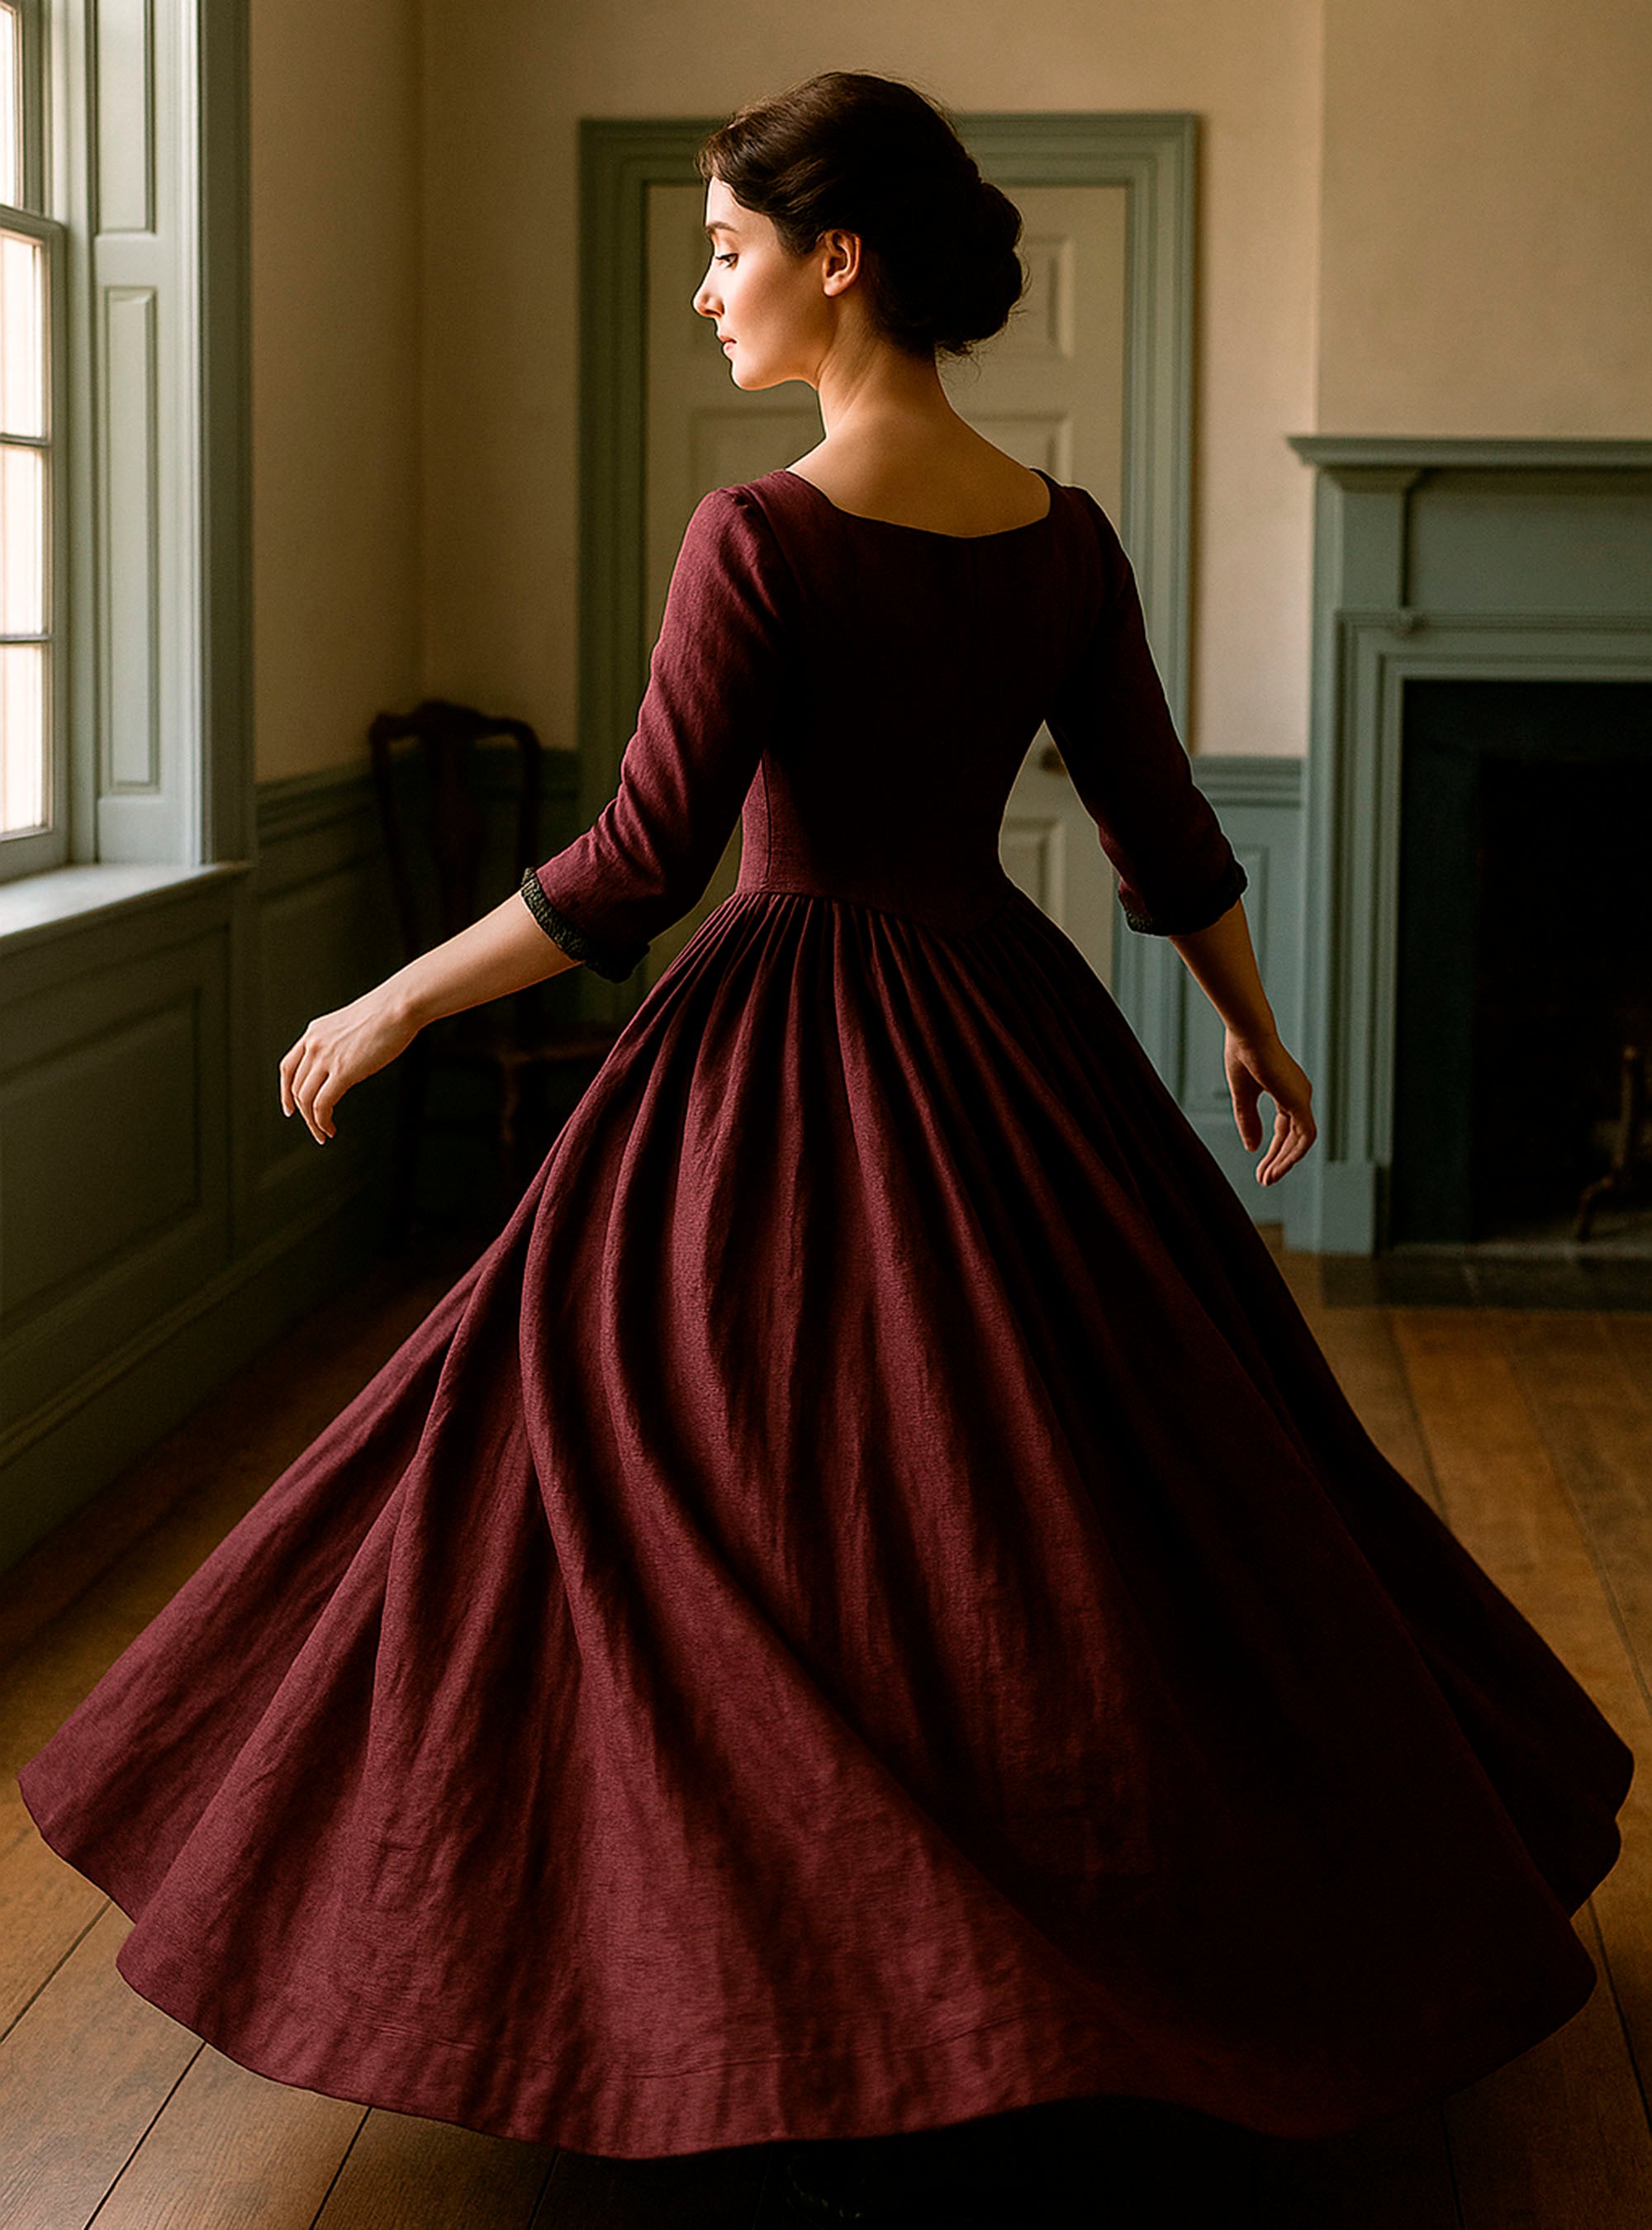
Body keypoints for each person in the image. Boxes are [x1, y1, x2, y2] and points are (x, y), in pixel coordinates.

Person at [17, 66, 1632, 2230]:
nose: (707, 292)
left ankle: (787, 1981)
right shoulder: (1059, 535)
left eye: (727, 249)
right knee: (1060, 1501)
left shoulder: (760, 536)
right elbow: (1160, 833)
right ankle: (1013, 1966)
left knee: (686, 1471)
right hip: (1005, 1032)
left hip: (781, 1047)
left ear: (838, 256)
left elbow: (634, 869)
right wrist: (1253, 1031)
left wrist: (386, 1002)